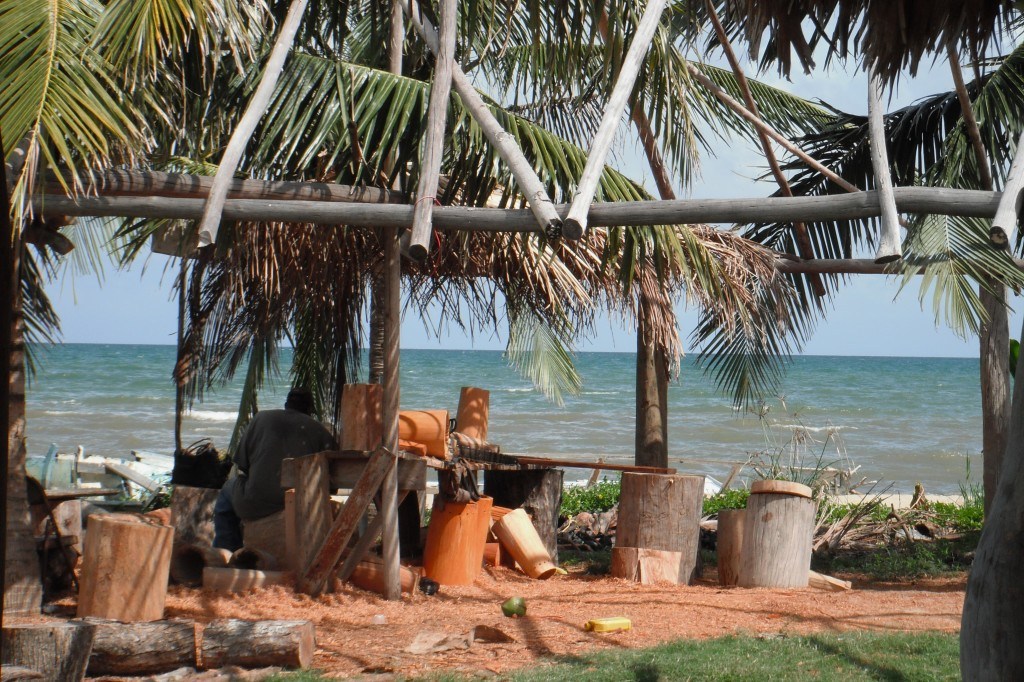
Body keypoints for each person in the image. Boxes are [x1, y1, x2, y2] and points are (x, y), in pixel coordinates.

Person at [213, 387, 337, 551]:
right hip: (298, 503)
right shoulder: (321, 432)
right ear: (309, 410)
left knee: (226, 493)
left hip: (255, 500)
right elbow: (332, 484)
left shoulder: (261, 418)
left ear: (286, 404)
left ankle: (227, 551)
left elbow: (243, 464)